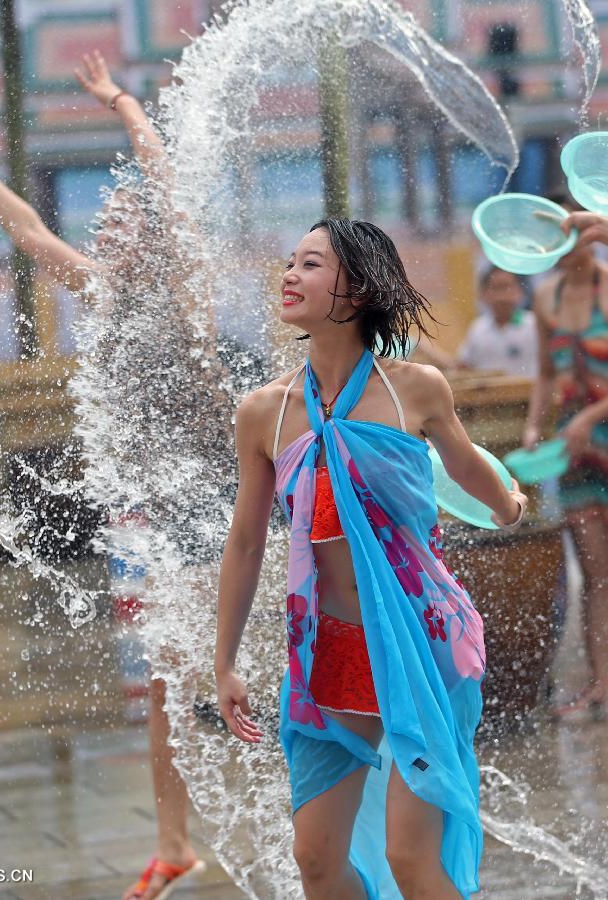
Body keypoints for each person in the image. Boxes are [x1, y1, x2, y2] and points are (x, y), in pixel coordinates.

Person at [0, 51, 209, 900]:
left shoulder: (179, 291)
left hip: (224, 502)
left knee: (233, 675)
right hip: (163, 513)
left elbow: (164, 178)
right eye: (111, 220)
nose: (112, 228)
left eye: (128, 220)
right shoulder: (102, 294)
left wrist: (123, 104)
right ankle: (174, 844)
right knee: (171, 679)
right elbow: (28, 233)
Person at [214, 218, 526, 898]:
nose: (290, 274)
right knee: (316, 861)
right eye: (290, 261)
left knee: (414, 860)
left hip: (421, 641)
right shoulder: (263, 412)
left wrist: (508, 506)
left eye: (312, 264)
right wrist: (226, 660)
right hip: (331, 653)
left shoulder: (416, 388)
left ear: (357, 291)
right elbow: (245, 543)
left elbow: (466, 467)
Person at [524, 202, 608, 720]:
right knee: (595, 573)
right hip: (572, 452)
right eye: (561, 232)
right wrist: (536, 426)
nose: (568, 240)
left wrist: (592, 414)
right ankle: (600, 684)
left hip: (595, 428)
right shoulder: (545, 295)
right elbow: (544, 375)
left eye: (577, 230)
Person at [458, 266, 538, 378]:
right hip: (488, 394)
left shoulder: (533, 325)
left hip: (527, 394)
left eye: (506, 287)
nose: (501, 296)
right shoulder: (478, 328)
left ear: (519, 291)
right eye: (495, 288)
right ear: (483, 294)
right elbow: (463, 367)